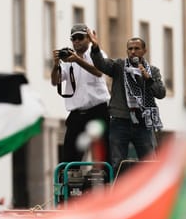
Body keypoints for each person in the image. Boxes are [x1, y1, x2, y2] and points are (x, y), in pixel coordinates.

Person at [88, 30, 165, 171]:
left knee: (149, 163)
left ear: (144, 51)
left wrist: (148, 79)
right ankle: (118, 190)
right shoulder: (119, 66)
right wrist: (95, 47)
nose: (133, 52)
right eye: (130, 49)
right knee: (118, 162)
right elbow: (101, 64)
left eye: (137, 48)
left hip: (143, 122)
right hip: (120, 121)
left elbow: (161, 93)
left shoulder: (152, 71)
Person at [51, 23, 110, 164]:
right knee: (70, 157)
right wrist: (55, 64)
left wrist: (77, 60)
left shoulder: (97, 54)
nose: (76, 41)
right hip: (77, 114)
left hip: (98, 111)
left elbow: (98, 72)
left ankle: (108, 182)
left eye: (80, 37)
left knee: (105, 153)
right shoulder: (68, 58)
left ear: (89, 39)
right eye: (74, 38)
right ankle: (71, 182)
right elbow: (55, 81)